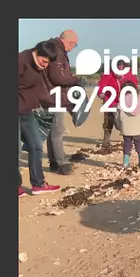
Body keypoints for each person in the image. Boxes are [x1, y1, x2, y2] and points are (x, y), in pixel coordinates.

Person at [18, 40, 62, 197]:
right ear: (35, 52)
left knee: (36, 145)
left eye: (47, 63)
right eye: (43, 61)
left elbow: (43, 86)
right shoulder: (20, 61)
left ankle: (38, 184)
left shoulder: (41, 66)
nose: (44, 65)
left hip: (26, 112)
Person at [46, 30, 80, 175]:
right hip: (54, 97)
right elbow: (57, 78)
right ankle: (61, 163)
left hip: (48, 95)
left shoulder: (52, 48)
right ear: (70, 42)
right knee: (58, 130)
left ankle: (54, 161)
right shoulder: (57, 51)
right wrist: (75, 80)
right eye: (74, 45)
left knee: (52, 130)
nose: (73, 48)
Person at [97, 60, 138, 146]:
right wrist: (101, 93)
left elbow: (135, 87)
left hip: (124, 103)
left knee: (124, 121)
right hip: (110, 102)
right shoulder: (108, 76)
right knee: (108, 121)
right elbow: (101, 86)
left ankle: (128, 140)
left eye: (121, 67)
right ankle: (106, 140)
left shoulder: (130, 75)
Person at [115, 81, 140, 168]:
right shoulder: (139, 100)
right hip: (138, 128)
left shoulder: (121, 102)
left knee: (127, 145)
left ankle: (125, 163)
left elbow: (117, 117)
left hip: (126, 129)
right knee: (139, 144)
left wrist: (119, 127)